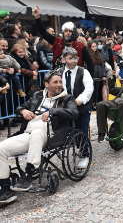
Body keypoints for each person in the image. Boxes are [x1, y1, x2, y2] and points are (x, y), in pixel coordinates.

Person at [0, 70, 79, 205]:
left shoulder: (67, 98)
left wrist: (52, 112)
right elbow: (19, 107)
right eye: (55, 82)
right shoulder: (37, 96)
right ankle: (5, 190)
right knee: (1, 148)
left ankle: (28, 175)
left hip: (51, 134)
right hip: (28, 133)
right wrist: (23, 111)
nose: (59, 85)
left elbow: (74, 113)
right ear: (46, 84)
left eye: (60, 82)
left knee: (37, 133)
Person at [32, 6, 94, 76]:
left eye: (70, 31)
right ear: (63, 32)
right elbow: (44, 33)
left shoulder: (80, 46)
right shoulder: (58, 41)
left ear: (73, 33)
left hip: (75, 76)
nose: (68, 33)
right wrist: (37, 18)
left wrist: (89, 79)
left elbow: (90, 63)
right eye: (66, 31)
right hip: (59, 76)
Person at [59, 47, 94, 168]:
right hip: (65, 107)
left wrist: (80, 100)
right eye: (70, 58)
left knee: (81, 130)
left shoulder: (83, 72)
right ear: (63, 59)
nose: (73, 61)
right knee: (67, 131)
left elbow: (89, 89)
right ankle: (72, 149)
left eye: (75, 58)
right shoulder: (59, 72)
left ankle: (84, 155)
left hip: (81, 107)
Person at [87, 41, 107, 107]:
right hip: (92, 76)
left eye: (95, 46)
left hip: (99, 75)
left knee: (98, 91)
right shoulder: (88, 55)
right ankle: (92, 104)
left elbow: (102, 66)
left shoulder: (99, 55)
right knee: (92, 91)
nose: (95, 48)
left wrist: (104, 75)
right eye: (93, 46)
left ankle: (96, 103)